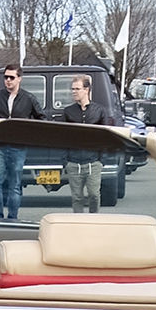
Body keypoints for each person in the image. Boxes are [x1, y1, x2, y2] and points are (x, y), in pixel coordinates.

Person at [0, 63, 43, 220]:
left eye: (12, 77)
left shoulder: (29, 98)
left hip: (18, 147)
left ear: (19, 79)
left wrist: (29, 135)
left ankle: (12, 218)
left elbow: (42, 119)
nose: (8, 80)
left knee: (15, 185)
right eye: (6, 77)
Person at [62, 74, 110, 213]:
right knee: (77, 197)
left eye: (77, 88)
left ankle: (93, 220)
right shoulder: (68, 112)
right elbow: (61, 137)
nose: (74, 92)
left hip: (93, 161)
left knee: (94, 195)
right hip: (73, 161)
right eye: (72, 89)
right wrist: (65, 160)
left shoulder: (99, 111)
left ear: (86, 90)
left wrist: (102, 159)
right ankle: (78, 223)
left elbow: (106, 136)